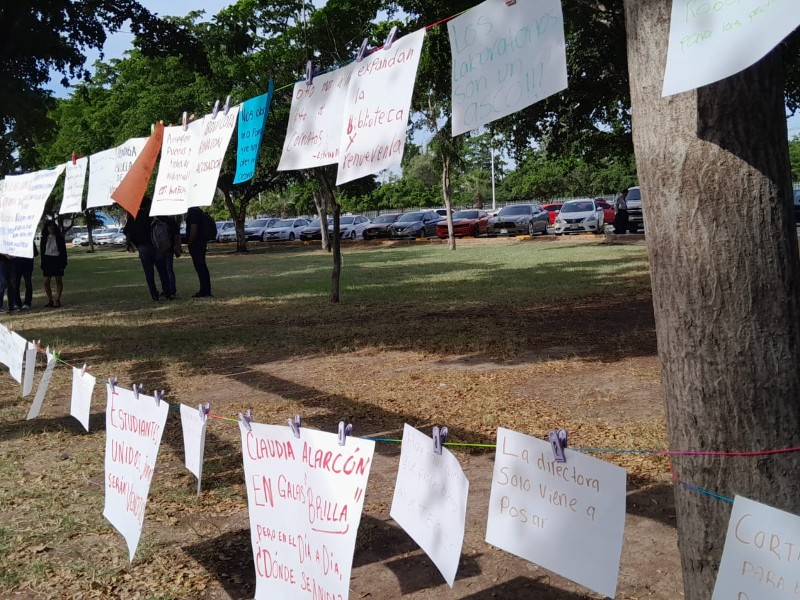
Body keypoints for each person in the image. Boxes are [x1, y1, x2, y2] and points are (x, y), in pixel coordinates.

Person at [122, 197, 170, 302]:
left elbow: (127, 231)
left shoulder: (135, 216)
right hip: (157, 246)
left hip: (143, 246)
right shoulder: (155, 215)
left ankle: (154, 294)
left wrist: (130, 242)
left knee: (149, 273)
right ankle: (167, 292)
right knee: (162, 271)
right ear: (149, 205)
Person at [152, 214, 181, 299]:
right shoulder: (170, 221)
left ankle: (165, 290)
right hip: (169, 249)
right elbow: (176, 235)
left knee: (161, 270)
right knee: (169, 270)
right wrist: (177, 248)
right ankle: (172, 290)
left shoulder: (154, 222)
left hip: (158, 249)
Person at [40, 221, 68, 307]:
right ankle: (50, 300)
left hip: (57, 259)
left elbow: (63, 251)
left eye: (53, 227)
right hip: (47, 260)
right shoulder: (44, 238)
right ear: (47, 228)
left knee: (58, 280)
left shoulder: (59, 238)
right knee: (46, 282)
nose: (51, 229)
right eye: (49, 227)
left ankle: (57, 299)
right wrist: (43, 262)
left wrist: (64, 262)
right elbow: (42, 251)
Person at [186, 206, 212, 297]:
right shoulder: (200, 211)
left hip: (197, 243)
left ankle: (204, 290)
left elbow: (194, 229)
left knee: (200, 266)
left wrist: (189, 242)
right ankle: (206, 289)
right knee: (202, 266)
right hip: (201, 242)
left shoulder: (193, 212)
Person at [12, 242, 37, 310]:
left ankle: (27, 303)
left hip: (27, 265)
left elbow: (35, 253)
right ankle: (17, 303)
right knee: (16, 284)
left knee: (28, 283)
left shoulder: (30, 240)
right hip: (17, 265)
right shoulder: (15, 241)